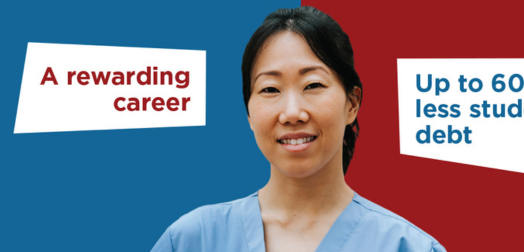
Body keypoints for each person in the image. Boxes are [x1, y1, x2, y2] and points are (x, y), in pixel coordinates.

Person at [151, 6, 446, 252]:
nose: (292, 113)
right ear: (249, 113)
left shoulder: (407, 245)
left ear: (352, 104)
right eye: (269, 89)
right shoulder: (192, 240)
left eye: (313, 85)